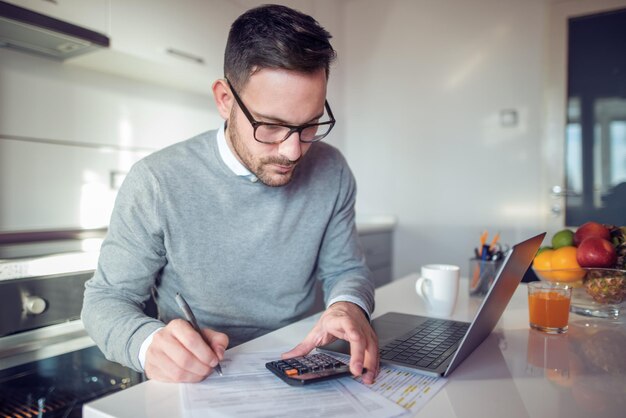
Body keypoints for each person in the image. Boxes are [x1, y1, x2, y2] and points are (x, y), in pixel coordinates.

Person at [81, 4, 379, 384]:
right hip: (199, 380)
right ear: (224, 99)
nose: (293, 151)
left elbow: (347, 269)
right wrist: (147, 344)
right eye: (271, 126)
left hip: (299, 365)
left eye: (310, 125)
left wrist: (349, 306)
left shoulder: (332, 170)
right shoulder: (156, 181)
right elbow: (105, 300)